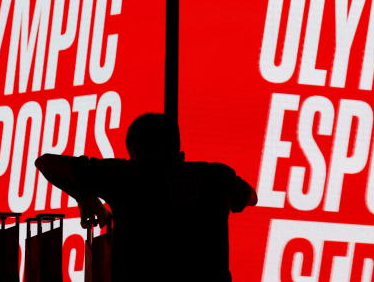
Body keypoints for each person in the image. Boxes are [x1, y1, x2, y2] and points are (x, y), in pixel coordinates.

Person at [35, 113, 257, 282]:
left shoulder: (123, 175)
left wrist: (85, 197)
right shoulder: (216, 175)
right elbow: (251, 198)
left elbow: (46, 163)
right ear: (179, 152)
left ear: (132, 153)